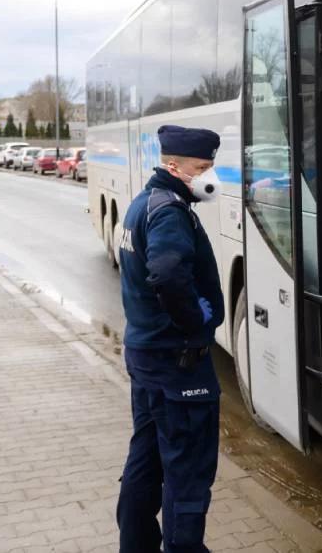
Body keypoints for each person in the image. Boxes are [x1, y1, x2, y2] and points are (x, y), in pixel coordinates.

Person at [116, 125, 225, 553]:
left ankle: (136, 544)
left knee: (146, 459)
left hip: (146, 357)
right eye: (201, 167)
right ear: (173, 165)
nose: (207, 176)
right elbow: (165, 271)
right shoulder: (169, 211)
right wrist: (197, 323)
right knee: (187, 471)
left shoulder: (143, 202)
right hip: (177, 365)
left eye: (210, 167)